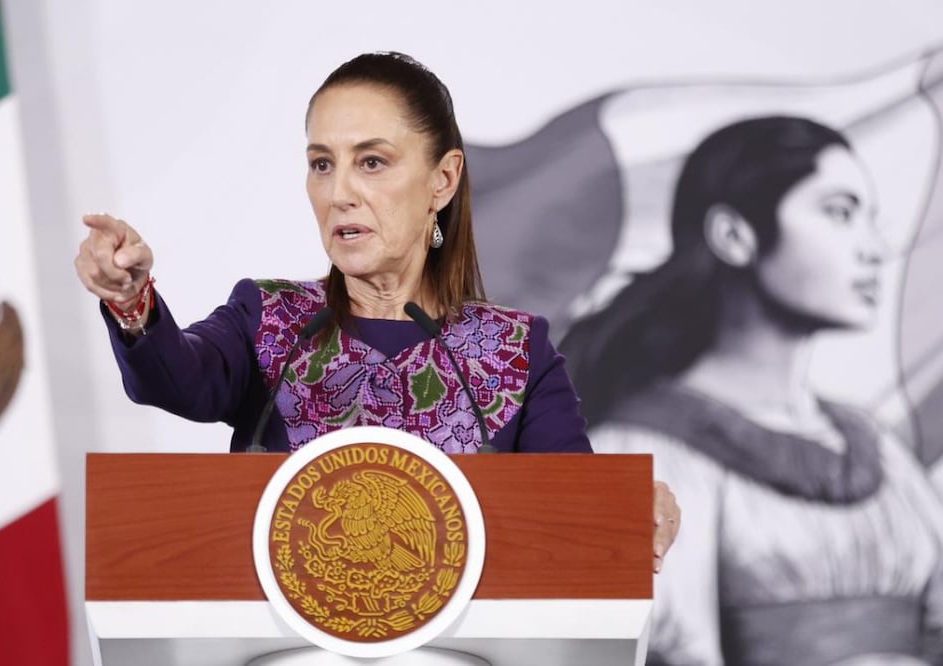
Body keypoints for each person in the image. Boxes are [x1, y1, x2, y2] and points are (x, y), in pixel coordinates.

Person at [73, 52, 680, 569]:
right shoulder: (271, 318)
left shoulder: (515, 353)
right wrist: (131, 300)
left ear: (442, 181)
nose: (339, 193)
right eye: (321, 164)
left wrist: (628, 508)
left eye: (371, 162)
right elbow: (176, 376)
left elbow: (574, 510)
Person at [560, 116, 943, 665]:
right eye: (839, 213)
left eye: (869, 219)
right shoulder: (637, 453)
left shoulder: (877, 449)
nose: (875, 249)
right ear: (734, 235)